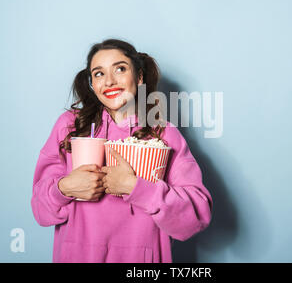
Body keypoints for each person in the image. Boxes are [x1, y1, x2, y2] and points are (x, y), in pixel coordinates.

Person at [31, 38, 212, 263]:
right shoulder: (69, 126)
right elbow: (40, 210)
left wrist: (136, 187)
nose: (109, 81)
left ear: (139, 76)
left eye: (120, 69)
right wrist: (63, 188)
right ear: (91, 84)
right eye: (98, 73)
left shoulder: (162, 133)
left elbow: (195, 218)